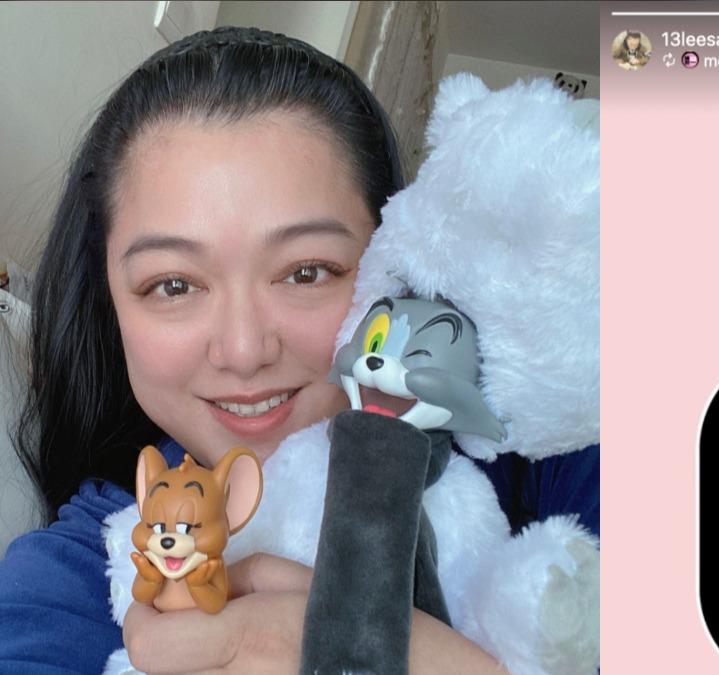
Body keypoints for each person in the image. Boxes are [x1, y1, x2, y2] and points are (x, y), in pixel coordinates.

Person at [0, 27, 598, 674]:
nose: (243, 350)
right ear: (109, 304)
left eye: (306, 272)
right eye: (173, 285)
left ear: (396, 261)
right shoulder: (77, 575)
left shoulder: (555, 456)